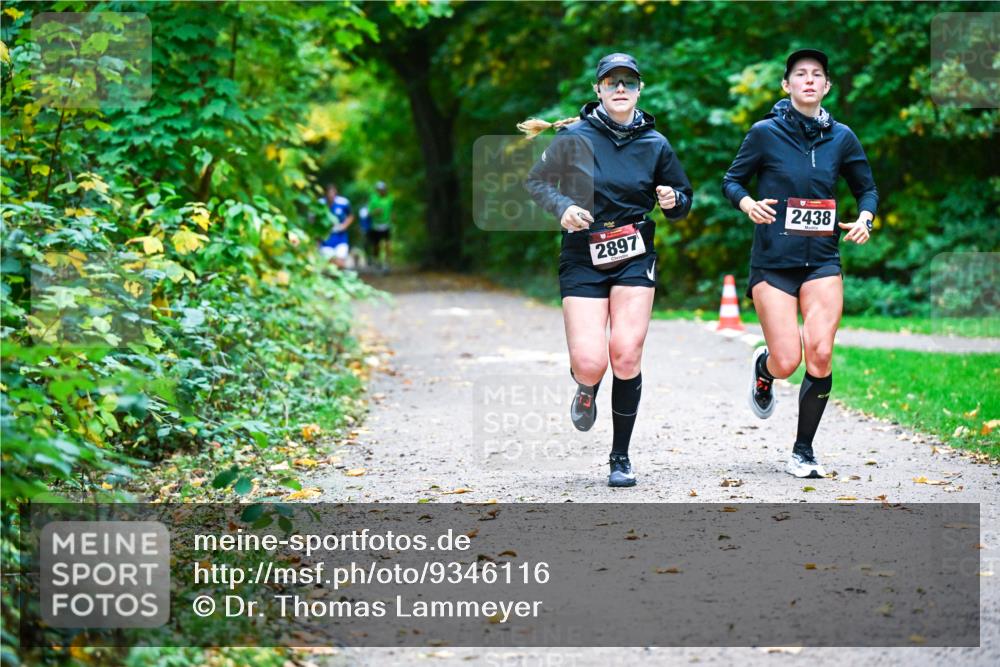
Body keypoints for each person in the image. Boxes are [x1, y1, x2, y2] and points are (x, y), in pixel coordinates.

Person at [522, 53, 693, 488]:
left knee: (626, 353)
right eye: (612, 81)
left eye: (629, 82)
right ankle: (586, 386)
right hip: (583, 256)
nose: (621, 88)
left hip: (634, 254)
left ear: (639, 90)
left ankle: (620, 457)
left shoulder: (656, 144)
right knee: (590, 361)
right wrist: (563, 208)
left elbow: (683, 198)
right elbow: (536, 182)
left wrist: (674, 200)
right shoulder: (573, 138)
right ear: (598, 89)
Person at [721, 48, 878, 479]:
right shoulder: (764, 133)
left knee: (821, 353)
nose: (808, 80)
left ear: (826, 86)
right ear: (786, 85)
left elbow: (867, 190)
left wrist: (865, 217)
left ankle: (803, 450)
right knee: (787, 360)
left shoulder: (842, 137)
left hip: (822, 260)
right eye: (800, 74)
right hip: (774, 261)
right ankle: (764, 367)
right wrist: (748, 202)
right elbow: (732, 180)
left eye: (817, 75)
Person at [318, 183, 354, 269]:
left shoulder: (343, 203)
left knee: (340, 262)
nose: (331, 195)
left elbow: (351, 215)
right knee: (330, 263)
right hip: (326, 238)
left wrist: (344, 226)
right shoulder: (320, 204)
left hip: (340, 237)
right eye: (329, 193)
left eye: (332, 193)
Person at [367, 181, 393, 274]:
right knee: (377, 246)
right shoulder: (373, 199)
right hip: (376, 225)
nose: (381, 191)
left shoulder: (390, 198)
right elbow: (369, 213)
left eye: (382, 189)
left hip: (387, 224)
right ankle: (377, 261)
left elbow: (392, 210)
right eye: (379, 190)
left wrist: (392, 217)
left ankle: (387, 264)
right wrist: (375, 212)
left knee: (388, 245)